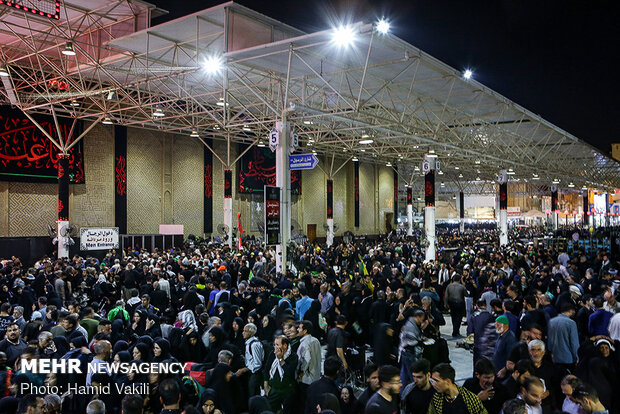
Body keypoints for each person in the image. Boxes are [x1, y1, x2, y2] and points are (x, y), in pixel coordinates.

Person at [263, 335, 298, 414]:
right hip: (274, 389)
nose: (275, 347)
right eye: (274, 344)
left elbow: (289, 372)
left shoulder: (293, 356)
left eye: (277, 345)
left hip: (287, 390)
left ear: (285, 346)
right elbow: (266, 369)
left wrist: (281, 359)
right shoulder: (273, 354)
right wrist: (266, 384)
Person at [546, 303, 579, 372]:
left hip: (554, 358)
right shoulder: (571, 323)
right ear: (570, 311)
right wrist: (577, 357)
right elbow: (574, 343)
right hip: (568, 359)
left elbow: (549, 341)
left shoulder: (551, 321)